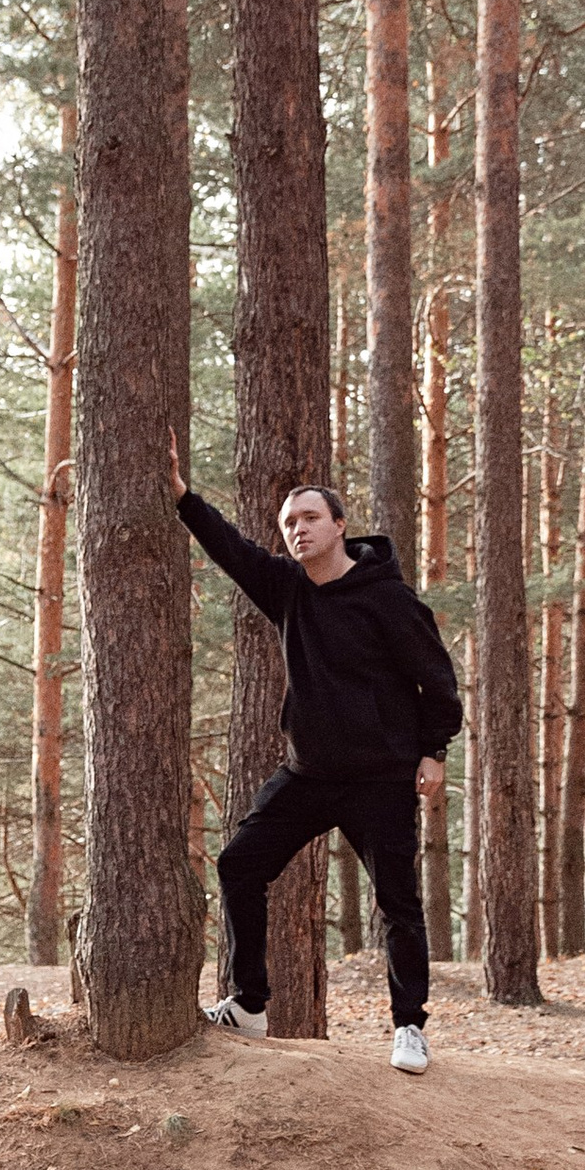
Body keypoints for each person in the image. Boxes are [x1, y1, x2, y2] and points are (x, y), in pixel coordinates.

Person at [168, 428, 460, 1073]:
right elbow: (232, 551)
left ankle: (409, 1027)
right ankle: (249, 1006)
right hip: (308, 774)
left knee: (399, 903)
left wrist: (433, 752)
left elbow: (436, 679)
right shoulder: (287, 588)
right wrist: (185, 497)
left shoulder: (387, 598)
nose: (297, 531)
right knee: (240, 864)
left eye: (309, 518)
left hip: (382, 779)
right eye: (288, 523)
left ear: (339, 525)